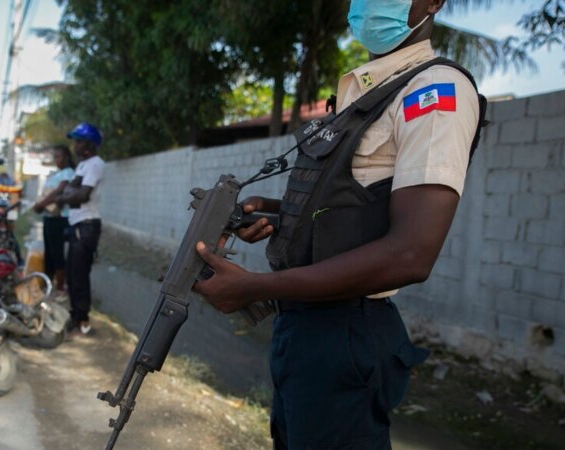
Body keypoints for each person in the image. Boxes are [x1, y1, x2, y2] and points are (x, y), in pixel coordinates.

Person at [193, 0, 485, 448]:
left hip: (346, 335)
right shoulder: (364, 92)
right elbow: (354, 204)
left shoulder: (434, 91)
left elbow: (411, 253)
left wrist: (255, 287)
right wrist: (278, 215)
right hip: (303, 329)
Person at [56, 123, 104, 336]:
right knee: (72, 273)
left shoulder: (94, 164)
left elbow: (81, 195)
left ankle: (82, 319)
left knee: (80, 274)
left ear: (89, 144)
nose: (74, 145)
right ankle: (75, 316)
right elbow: (69, 190)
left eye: (78, 141)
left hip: (86, 225)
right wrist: (67, 195)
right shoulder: (82, 166)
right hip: (77, 224)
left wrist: (64, 197)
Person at [33, 145, 76, 302]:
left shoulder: (69, 173)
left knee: (57, 253)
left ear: (66, 157)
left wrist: (41, 204)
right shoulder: (55, 173)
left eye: (59, 156)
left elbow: (59, 191)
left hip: (59, 218)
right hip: (48, 217)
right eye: (55, 157)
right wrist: (40, 206)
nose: (56, 160)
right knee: (49, 253)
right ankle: (47, 284)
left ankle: (60, 288)